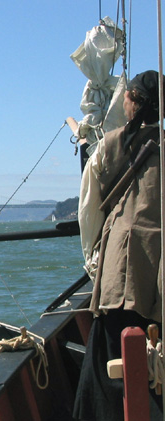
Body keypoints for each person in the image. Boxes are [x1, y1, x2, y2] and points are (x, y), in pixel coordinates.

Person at [74, 70, 164, 420]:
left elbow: (89, 211)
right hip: (158, 272)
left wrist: (95, 258)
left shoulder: (109, 145)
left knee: (110, 361)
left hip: (120, 270)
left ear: (130, 100)